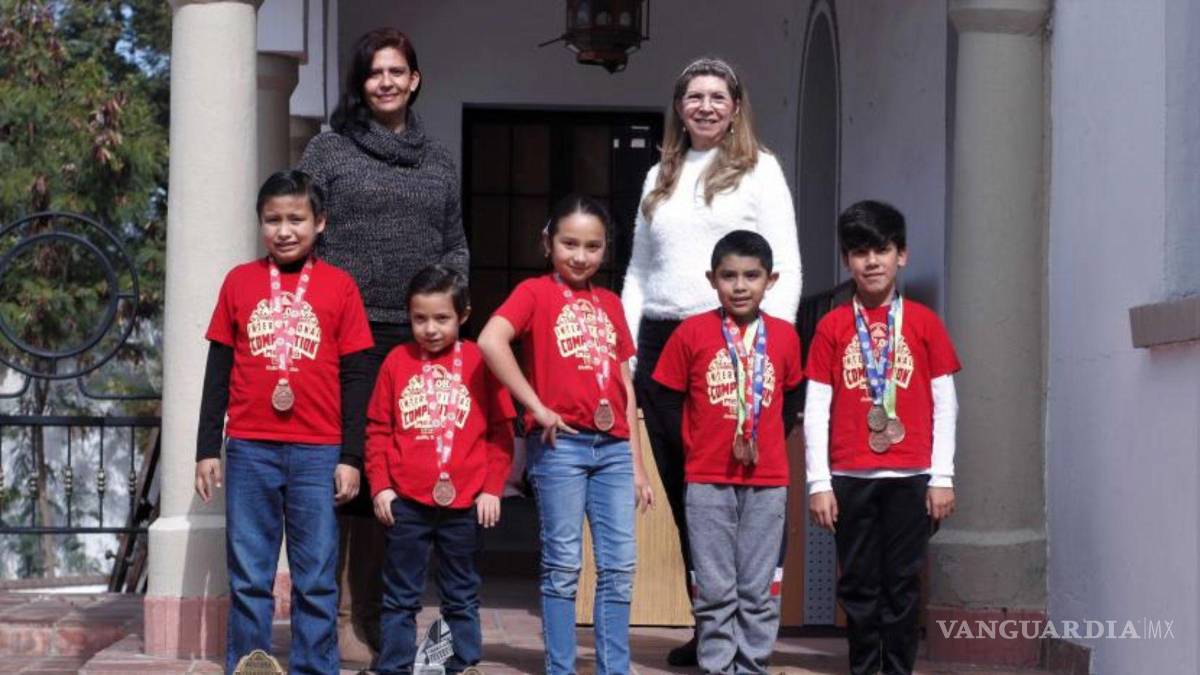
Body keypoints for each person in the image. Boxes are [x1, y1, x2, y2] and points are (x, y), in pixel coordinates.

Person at [620, 56, 802, 666]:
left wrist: (775, 344)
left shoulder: (760, 170)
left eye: (717, 96)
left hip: (743, 342)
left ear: (735, 106)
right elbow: (639, 270)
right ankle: (710, 631)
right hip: (665, 343)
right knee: (690, 498)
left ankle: (749, 640)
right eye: (694, 96)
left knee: (748, 496)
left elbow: (786, 260)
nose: (705, 106)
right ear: (679, 107)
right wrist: (627, 348)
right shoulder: (659, 175)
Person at [297, 27, 468, 662]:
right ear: (361, 83)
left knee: (393, 470)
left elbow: (455, 243)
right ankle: (340, 616)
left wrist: (452, 307)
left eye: (397, 71)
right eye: (375, 73)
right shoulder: (329, 150)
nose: (387, 82)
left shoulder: (438, 159)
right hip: (346, 334)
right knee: (348, 465)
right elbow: (302, 230)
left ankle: (374, 617)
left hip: (417, 339)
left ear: (415, 79)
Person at [193, 170, 375, 674]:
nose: (285, 230)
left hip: (319, 450)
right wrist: (207, 447)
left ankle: (314, 667)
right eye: (273, 219)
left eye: (296, 218)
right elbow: (218, 370)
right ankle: (251, 664)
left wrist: (351, 456)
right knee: (250, 573)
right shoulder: (239, 282)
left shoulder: (340, 287)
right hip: (250, 446)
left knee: (315, 576)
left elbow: (357, 377)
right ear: (260, 224)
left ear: (320, 222)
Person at [478, 194, 654, 675]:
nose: (580, 256)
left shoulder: (611, 303)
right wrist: (535, 407)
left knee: (619, 567)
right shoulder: (534, 293)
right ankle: (561, 668)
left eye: (593, 246)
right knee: (563, 566)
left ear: (606, 248)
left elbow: (624, 385)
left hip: (614, 449)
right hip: (561, 448)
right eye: (569, 243)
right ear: (547, 243)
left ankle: (614, 668)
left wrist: (637, 464)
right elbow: (490, 340)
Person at [804, 200, 960, 675]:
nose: (871, 261)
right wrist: (818, 483)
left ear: (902, 255)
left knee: (902, 584)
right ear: (846, 260)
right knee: (858, 585)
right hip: (850, 476)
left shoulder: (925, 323)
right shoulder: (831, 327)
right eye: (859, 252)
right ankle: (864, 668)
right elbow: (816, 409)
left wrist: (942, 476)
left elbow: (946, 405)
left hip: (912, 477)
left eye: (882, 250)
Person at [651, 230, 804, 674]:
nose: (740, 286)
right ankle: (717, 666)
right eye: (729, 276)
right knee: (714, 586)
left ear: (770, 280)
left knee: (759, 587)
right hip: (706, 480)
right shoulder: (691, 332)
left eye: (751, 276)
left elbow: (793, 395)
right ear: (711, 279)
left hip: (767, 481)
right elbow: (663, 398)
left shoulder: (785, 336)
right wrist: (694, 445)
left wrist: (767, 437)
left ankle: (752, 665)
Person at [364, 264, 514, 675]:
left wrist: (492, 488)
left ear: (463, 315)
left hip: (465, 503)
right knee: (400, 595)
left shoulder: (481, 361)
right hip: (406, 502)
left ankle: (462, 665)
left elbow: (501, 431)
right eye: (420, 319)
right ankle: (394, 666)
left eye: (442, 318)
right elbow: (378, 429)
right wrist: (381, 486)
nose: (430, 329)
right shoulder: (396, 361)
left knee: (461, 593)